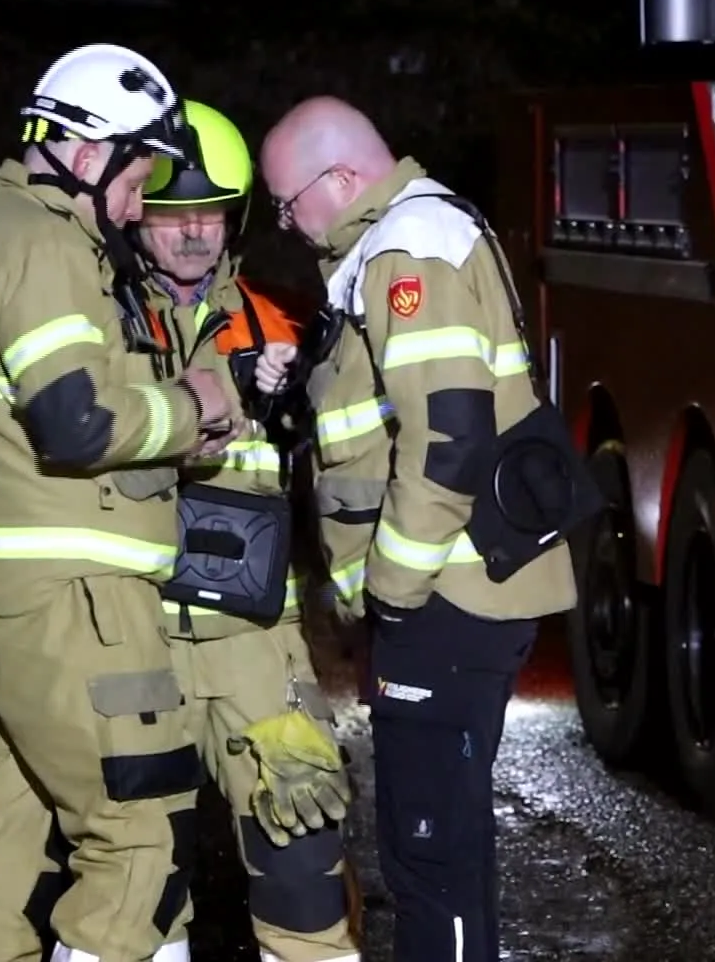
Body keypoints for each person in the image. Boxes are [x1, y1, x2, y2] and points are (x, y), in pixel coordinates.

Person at [0, 43, 234, 962]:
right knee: (142, 845)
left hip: (0, 611)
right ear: (91, 155)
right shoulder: (44, 239)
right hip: (74, 607)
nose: (142, 205)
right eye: (140, 175)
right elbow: (75, 422)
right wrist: (195, 408)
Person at [258, 96, 580, 962]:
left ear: (342, 178)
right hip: (455, 593)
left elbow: (446, 440)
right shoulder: (398, 242)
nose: (287, 226)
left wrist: (390, 596)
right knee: (440, 853)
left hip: (445, 599)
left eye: (288, 204)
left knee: (431, 859)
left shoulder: (407, 249)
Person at [130, 99, 361, 962]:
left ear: (238, 220)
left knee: (306, 864)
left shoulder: (284, 327)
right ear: (134, 213)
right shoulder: (103, 325)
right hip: (132, 646)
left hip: (260, 648)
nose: (192, 235)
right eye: (170, 213)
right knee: (136, 890)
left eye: (211, 213)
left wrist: (300, 396)